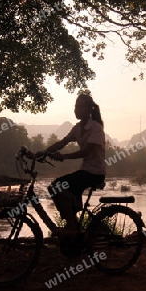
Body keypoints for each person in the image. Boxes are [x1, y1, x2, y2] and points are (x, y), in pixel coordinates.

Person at [43, 93, 106, 237]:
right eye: (76, 107)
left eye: (80, 107)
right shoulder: (77, 128)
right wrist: (43, 152)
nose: (77, 110)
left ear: (89, 109)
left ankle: (72, 226)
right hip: (85, 171)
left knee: (57, 186)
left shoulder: (95, 128)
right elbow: (62, 142)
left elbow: (86, 152)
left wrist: (64, 157)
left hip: (95, 172)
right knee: (58, 190)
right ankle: (74, 226)